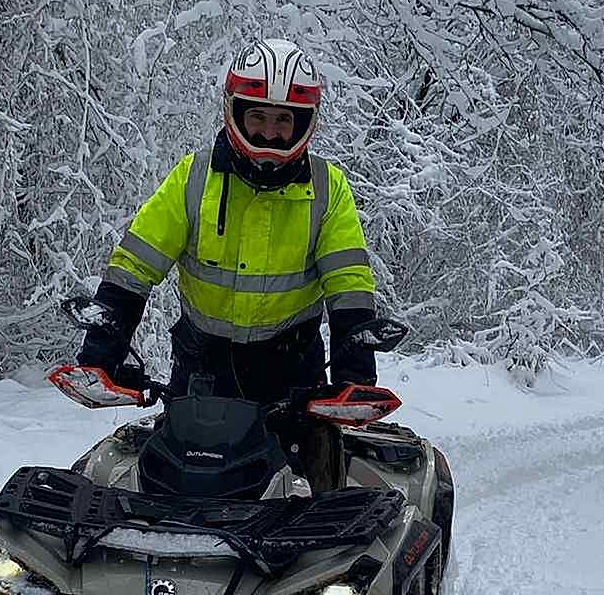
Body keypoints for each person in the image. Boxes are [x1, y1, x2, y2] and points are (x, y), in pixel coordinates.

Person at [75, 39, 382, 425]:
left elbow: (349, 286)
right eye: (258, 116)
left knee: (316, 481)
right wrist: (100, 357)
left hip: (294, 379)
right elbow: (133, 268)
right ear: (235, 111)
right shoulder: (193, 179)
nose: (270, 133)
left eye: (284, 119)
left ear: (304, 122)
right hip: (200, 372)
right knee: (168, 480)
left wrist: (355, 377)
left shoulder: (328, 187)